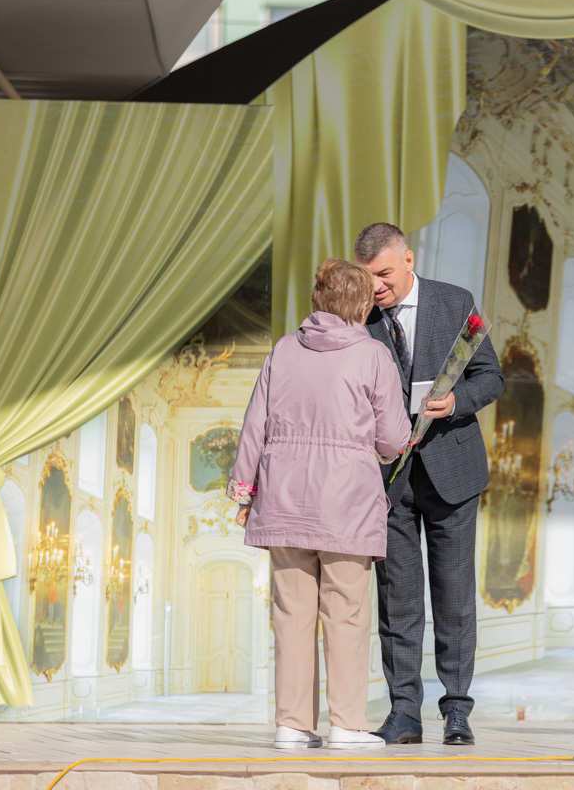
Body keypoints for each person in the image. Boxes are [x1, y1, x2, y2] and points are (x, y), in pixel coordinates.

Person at [228, 259, 411, 750]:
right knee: (346, 615)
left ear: (318, 298)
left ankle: (291, 725)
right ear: (362, 304)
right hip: (347, 504)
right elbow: (393, 439)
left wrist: (244, 493)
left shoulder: (284, 349)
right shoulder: (373, 355)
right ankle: (346, 725)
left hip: (283, 499)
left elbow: (254, 426)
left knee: (291, 616)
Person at [355, 222, 505, 746]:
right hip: (387, 481)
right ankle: (404, 712)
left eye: (384, 274)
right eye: (368, 277)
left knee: (454, 598)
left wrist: (457, 402)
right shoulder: (360, 316)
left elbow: (491, 377)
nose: (376, 287)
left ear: (408, 260)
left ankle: (457, 710)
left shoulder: (455, 302)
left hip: (453, 473)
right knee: (397, 602)